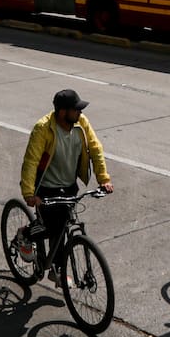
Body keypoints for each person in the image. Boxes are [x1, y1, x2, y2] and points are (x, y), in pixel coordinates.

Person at [19, 89, 113, 281]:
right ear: (62, 112)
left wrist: (103, 179)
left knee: (63, 225)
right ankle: (25, 235)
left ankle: (55, 268)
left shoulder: (81, 123)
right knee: (53, 228)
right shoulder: (43, 128)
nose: (79, 113)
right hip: (45, 186)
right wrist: (29, 193)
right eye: (75, 109)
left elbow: (95, 148)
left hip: (69, 185)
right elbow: (31, 161)